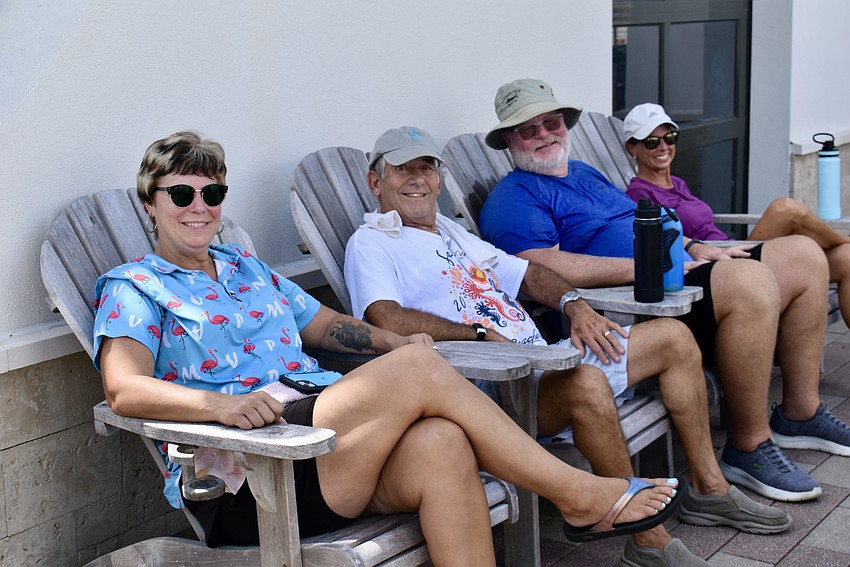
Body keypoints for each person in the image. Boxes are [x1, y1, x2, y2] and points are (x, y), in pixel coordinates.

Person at [92, 131, 686, 566]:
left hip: (326, 445)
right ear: (151, 202)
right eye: (181, 194)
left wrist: (400, 343)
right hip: (254, 472)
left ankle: (577, 499)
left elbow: (326, 326)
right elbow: (123, 388)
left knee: (441, 440)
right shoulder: (135, 287)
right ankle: (579, 495)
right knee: (418, 373)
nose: (199, 207)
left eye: (211, 191)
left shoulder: (245, 267)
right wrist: (217, 408)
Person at [344, 126, 790, 567]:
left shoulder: (449, 231)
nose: (418, 179)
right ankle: (650, 542)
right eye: (403, 169)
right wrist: (478, 334)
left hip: (542, 361)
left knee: (673, 339)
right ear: (376, 181)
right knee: (587, 384)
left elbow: (527, 273)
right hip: (493, 392)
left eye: (427, 167)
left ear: (440, 179)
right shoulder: (372, 243)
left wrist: (575, 305)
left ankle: (710, 490)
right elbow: (385, 317)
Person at [478, 78, 850, 506]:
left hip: (674, 277)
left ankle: (799, 413)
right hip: (638, 306)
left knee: (803, 254)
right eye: (529, 129)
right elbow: (540, 267)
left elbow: (642, 214)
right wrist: (653, 267)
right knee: (750, 280)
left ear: (566, 124)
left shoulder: (583, 172)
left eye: (551, 121)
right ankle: (747, 447)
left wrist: (693, 245)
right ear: (508, 140)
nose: (544, 134)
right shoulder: (514, 198)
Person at [623, 102, 850, 328]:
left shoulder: (677, 183)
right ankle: (844, 238)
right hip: (722, 268)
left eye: (669, 137)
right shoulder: (638, 195)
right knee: (785, 209)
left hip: (732, 249)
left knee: (847, 258)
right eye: (652, 142)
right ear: (633, 148)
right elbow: (655, 243)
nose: (663, 147)